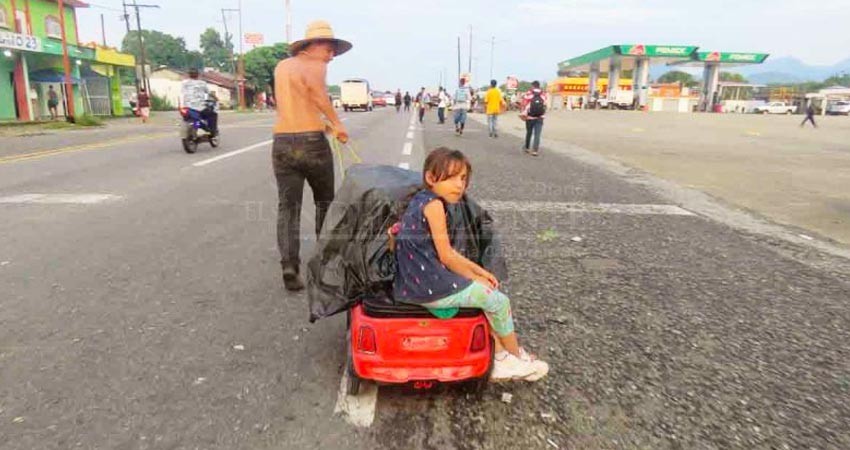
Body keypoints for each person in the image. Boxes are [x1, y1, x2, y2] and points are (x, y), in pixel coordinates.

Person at [388, 148, 549, 382]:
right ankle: (513, 359)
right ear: (431, 178)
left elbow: (445, 253)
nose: (459, 185)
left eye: (463, 178)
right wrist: (477, 279)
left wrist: (480, 271)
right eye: (452, 177)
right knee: (499, 301)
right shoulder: (434, 206)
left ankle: (503, 354)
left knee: (484, 293)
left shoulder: (419, 200)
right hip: (430, 287)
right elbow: (447, 256)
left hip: (413, 285)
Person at [272, 20, 350, 291]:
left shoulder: (282, 67)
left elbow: (292, 104)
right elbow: (318, 96)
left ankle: (289, 265)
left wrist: (323, 123)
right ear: (312, 47)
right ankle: (324, 265)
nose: (331, 56)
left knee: (288, 207)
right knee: (325, 203)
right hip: (311, 144)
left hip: (282, 143)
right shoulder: (315, 66)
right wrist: (337, 124)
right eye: (329, 49)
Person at [181, 68, 218, 136]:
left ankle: (197, 128)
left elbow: (182, 93)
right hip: (199, 107)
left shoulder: (184, 83)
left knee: (194, 119)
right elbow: (209, 93)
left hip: (186, 107)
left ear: (189, 75)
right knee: (212, 114)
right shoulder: (202, 83)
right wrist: (216, 98)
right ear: (198, 75)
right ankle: (212, 131)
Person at [520, 81, 547, 156]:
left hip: (530, 117)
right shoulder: (543, 94)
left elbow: (523, 104)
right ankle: (535, 150)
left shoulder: (528, 93)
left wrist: (523, 113)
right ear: (539, 86)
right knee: (537, 134)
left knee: (529, 132)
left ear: (533, 86)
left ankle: (527, 148)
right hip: (540, 117)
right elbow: (545, 105)